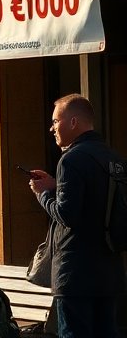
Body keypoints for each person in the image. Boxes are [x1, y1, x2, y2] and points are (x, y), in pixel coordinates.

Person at [28, 94, 126, 337]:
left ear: (73, 122)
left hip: (75, 274)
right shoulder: (113, 158)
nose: (52, 128)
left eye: (55, 121)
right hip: (109, 271)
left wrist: (42, 195)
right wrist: (55, 187)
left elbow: (67, 215)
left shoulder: (71, 159)